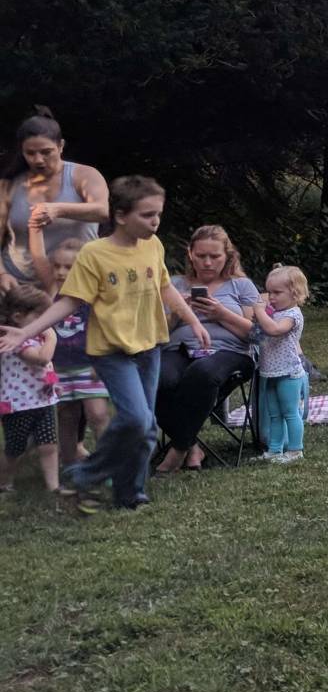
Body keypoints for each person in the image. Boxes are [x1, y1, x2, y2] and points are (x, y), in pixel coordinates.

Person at [0, 176, 208, 511]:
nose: (155, 221)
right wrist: (26, 332)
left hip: (149, 347)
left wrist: (193, 320)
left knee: (146, 427)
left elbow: (165, 287)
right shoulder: (95, 254)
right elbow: (70, 301)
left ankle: (130, 493)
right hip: (112, 351)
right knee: (137, 420)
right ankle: (86, 474)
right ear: (121, 215)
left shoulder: (153, 245)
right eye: (147, 215)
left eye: (158, 214)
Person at [152, 225, 263, 475]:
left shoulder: (241, 286)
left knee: (202, 372)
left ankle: (178, 449)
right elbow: (156, 333)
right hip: (178, 350)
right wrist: (180, 312)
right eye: (201, 256)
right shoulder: (174, 284)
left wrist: (221, 314)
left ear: (227, 256)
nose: (208, 262)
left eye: (215, 256)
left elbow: (258, 335)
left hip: (230, 353)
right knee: (153, 377)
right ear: (190, 254)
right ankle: (190, 445)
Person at [28, 229, 108, 465]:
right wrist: (35, 227)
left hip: (89, 365)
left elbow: (105, 329)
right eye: (57, 266)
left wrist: (101, 361)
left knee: (98, 414)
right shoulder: (53, 290)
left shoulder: (94, 295)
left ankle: (108, 464)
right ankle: (71, 464)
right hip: (60, 368)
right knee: (66, 416)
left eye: (68, 267)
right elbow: (38, 257)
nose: (61, 272)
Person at [1, 109, 109, 284]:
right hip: (19, 281)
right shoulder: (9, 184)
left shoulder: (84, 175)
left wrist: (58, 210)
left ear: (60, 146)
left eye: (46, 152)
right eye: (30, 153)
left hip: (76, 281)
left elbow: (102, 211)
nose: (38, 160)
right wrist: (2, 274)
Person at [0, 278, 60, 495]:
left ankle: (53, 487)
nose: (44, 323)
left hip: (43, 400)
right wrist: (52, 337)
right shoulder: (14, 341)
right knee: (15, 449)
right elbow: (42, 359)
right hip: (18, 405)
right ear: (18, 317)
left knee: (49, 445)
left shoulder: (35, 336)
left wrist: (53, 383)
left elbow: (46, 369)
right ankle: (3, 482)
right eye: (39, 317)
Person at [253, 265, 310, 462]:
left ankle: (295, 450)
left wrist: (259, 312)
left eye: (277, 293)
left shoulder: (292, 315)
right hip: (270, 372)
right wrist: (258, 318)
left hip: (289, 373)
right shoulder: (273, 313)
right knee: (274, 414)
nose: (271, 297)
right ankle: (274, 449)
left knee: (290, 413)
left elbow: (275, 330)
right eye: (269, 292)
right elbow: (258, 335)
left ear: (295, 294)